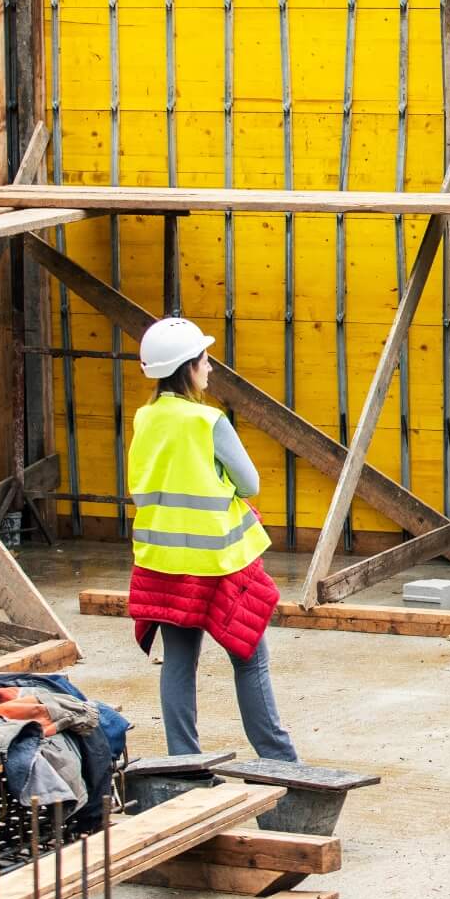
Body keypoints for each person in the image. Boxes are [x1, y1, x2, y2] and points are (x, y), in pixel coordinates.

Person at [125, 316, 300, 761]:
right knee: (250, 656)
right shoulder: (208, 421)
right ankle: (279, 761)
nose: (210, 367)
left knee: (179, 665)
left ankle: (184, 761)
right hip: (218, 565)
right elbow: (250, 483)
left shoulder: (144, 419)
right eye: (205, 359)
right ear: (187, 366)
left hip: (162, 563)